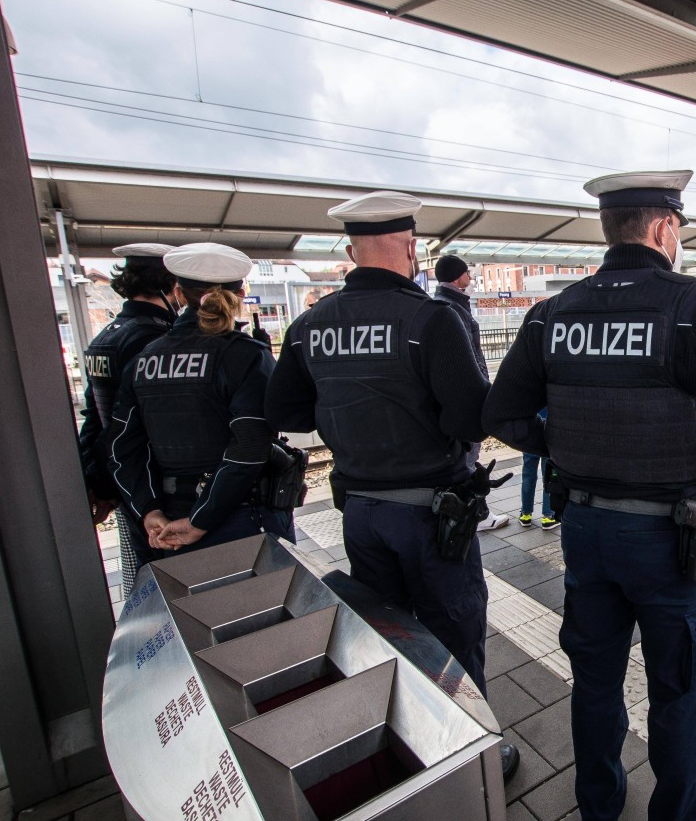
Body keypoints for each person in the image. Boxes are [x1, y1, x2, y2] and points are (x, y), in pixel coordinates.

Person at [483, 170, 696, 821]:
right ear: (664, 229)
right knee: (679, 694)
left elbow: (503, 412)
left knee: (594, 685)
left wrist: (561, 446)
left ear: (610, 231)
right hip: (673, 541)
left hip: (587, 534)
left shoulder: (552, 313)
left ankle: (599, 809)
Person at [263, 191, 520, 782]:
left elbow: (289, 412)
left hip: (361, 514)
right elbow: (468, 419)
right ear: (410, 248)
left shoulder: (310, 323)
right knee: (453, 634)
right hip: (433, 518)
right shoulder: (433, 320)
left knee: (392, 633)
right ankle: (474, 758)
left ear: (352, 252)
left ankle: (414, 751)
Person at [109, 243, 294, 557]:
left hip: (169, 522)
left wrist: (149, 511)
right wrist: (201, 520)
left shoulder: (144, 359)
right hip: (242, 517)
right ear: (240, 293)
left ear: (179, 293)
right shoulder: (246, 355)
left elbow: (121, 447)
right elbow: (249, 447)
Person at [78, 243, 178, 594]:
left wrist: (99, 482)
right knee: (174, 580)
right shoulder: (152, 339)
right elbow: (139, 426)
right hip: (155, 483)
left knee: (145, 572)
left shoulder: (105, 337)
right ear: (170, 285)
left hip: (126, 481)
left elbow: (95, 418)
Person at [433, 254, 510, 531]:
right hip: (464, 395)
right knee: (467, 458)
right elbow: (467, 357)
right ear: (458, 277)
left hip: (447, 397)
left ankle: (467, 510)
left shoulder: (439, 304)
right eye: (467, 273)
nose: (471, 278)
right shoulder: (453, 308)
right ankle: (475, 514)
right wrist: (481, 390)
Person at [519, 408, 557, 530]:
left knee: (528, 474)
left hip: (530, 429)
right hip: (548, 428)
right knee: (549, 474)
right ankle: (548, 515)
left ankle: (525, 514)